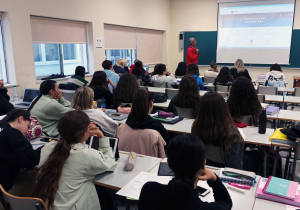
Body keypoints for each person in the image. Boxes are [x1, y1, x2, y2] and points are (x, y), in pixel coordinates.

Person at [32, 110, 117, 210]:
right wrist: (101, 137)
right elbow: (110, 164)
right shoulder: (87, 155)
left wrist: (82, 135)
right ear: (84, 132)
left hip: (47, 206)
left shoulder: (47, 148)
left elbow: (72, 148)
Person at [138, 134, 232, 210]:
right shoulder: (203, 207)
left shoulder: (149, 190)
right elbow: (226, 202)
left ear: (169, 163)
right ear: (203, 165)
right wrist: (214, 179)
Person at [191, 92, 244, 169]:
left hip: (203, 170)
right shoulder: (232, 134)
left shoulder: (196, 127)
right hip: (223, 175)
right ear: (224, 109)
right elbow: (235, 167)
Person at [0, 109, 42, 191]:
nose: (27, 131)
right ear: (20, 119)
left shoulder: (3, 128)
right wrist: (46, 147)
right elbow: (31, 159)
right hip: (5, 185)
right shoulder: (12, 133)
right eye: (28, 126)